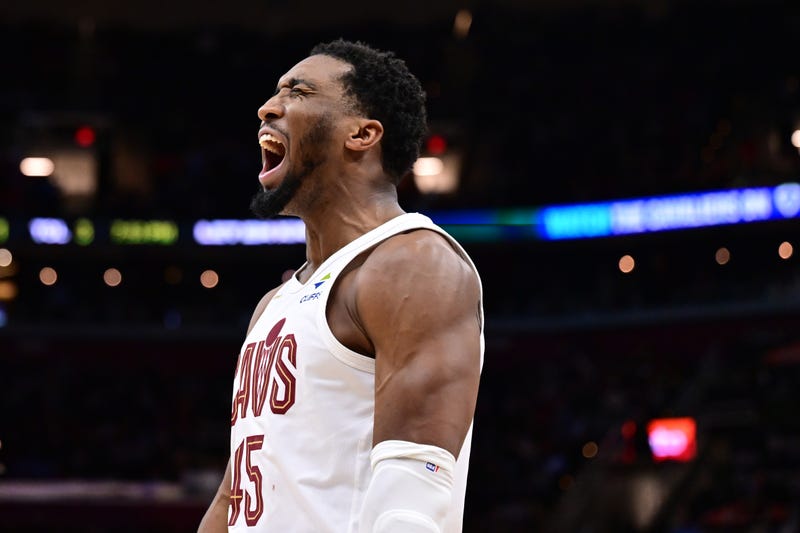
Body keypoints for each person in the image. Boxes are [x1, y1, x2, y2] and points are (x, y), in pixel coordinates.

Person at [198, 38, 484, 533]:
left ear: (363, 133)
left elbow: (414, 491)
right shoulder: (274, 304)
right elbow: (234, 497)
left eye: (299, 92)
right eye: (275, 92)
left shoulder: (411, 262)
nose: (269, 107)